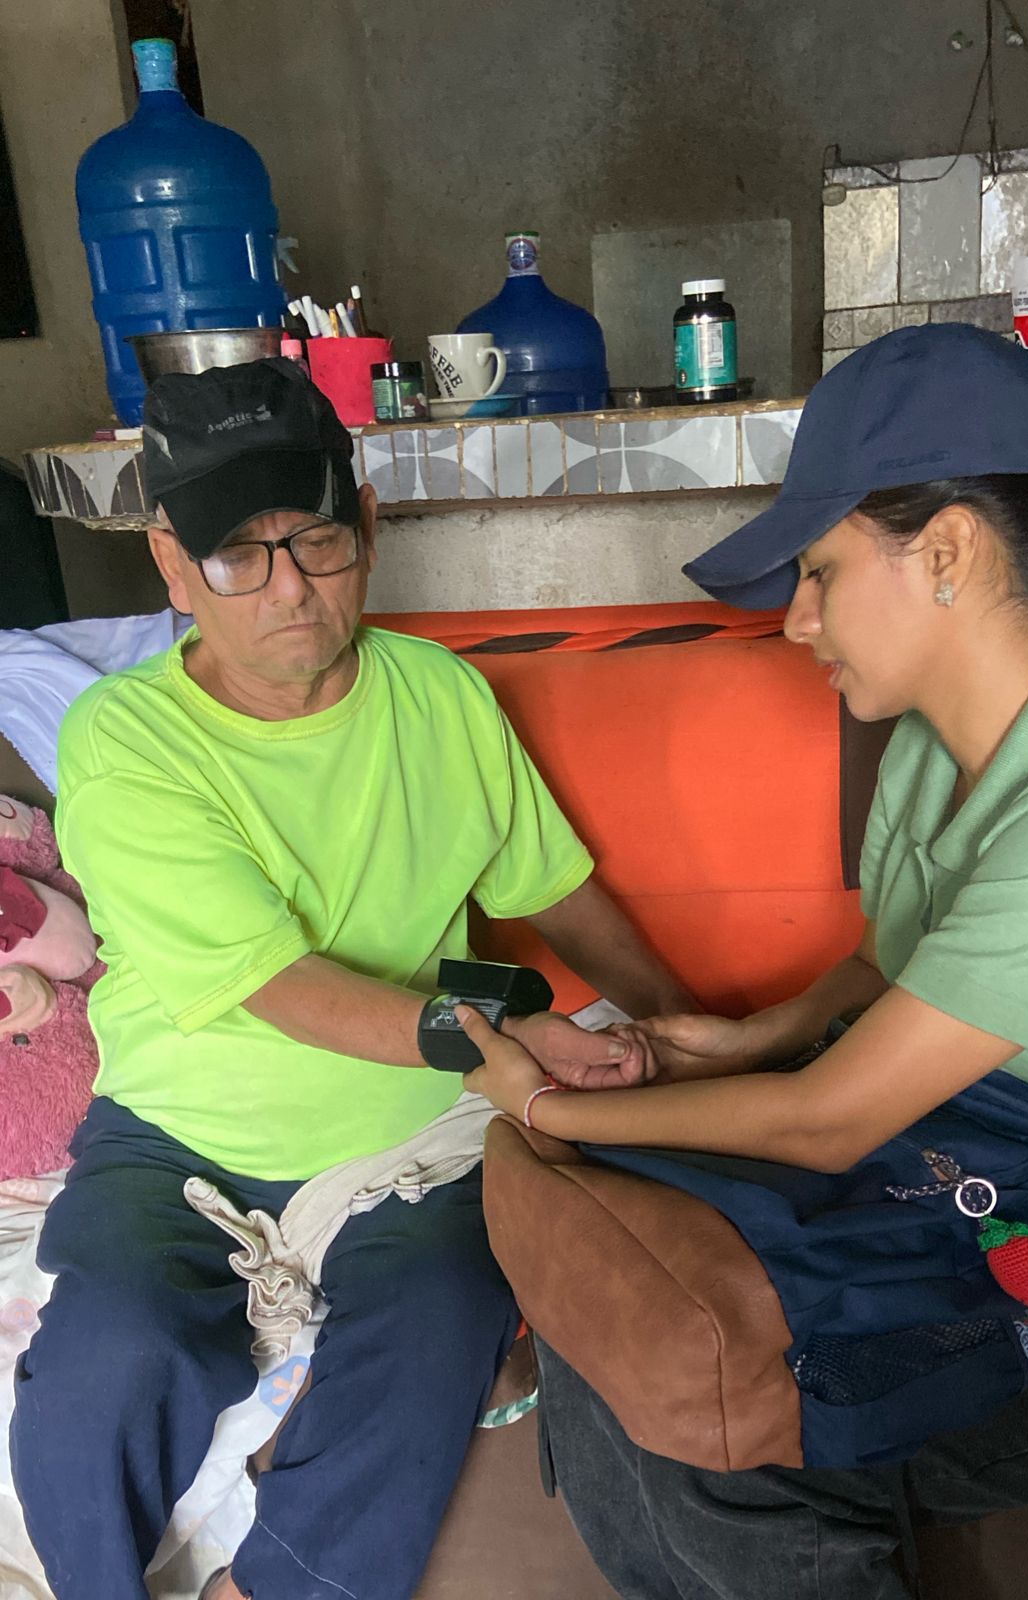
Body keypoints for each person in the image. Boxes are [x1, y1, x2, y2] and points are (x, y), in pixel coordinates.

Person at [455, 325, 1028, 1599]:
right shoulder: (931, 739)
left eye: (818, 571)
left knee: (754, 1416)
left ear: (946, 551)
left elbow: (830, 1120)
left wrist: (545, 1108)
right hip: (995, 1152)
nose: (796, 620)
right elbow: (900, 961)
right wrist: (748, 1038)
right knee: (624, 1303)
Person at [9, 357, 691, 1600]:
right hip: (178, 1135)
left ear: (366, 526)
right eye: (236, 555)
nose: (288, 588)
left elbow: (551, 888)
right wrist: (499, 1047)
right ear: (171, 566)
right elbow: (276, 981)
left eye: (315, 540)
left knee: (440, 1317)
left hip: (411, 1130)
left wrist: (676, 1020)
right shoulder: (127, 742)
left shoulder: (441, 698)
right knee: (108, 1359)